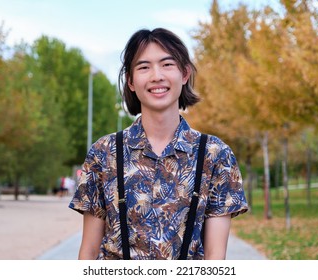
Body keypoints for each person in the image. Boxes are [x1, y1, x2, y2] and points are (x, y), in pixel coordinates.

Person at [69, 28, 248, 260]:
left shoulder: (215, 155)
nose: (156, 76)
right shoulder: (104, 153)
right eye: (144, 67)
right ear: (131, 81)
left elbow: (216, 256)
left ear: (184, 74)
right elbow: (89, 251)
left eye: (167, 64)